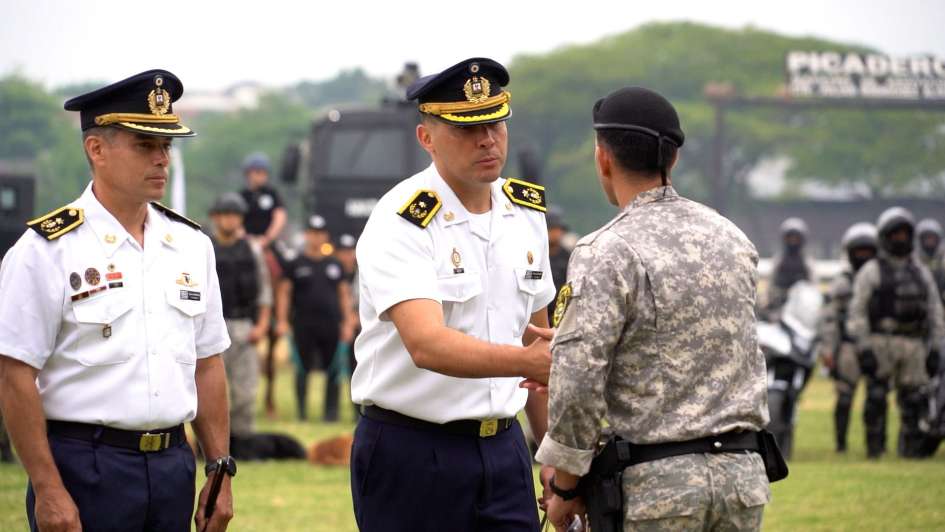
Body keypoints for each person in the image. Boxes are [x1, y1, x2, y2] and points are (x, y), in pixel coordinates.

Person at [0, 70, 234, 532]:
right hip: (85, 468)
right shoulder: (46, 250)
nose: (162, 159)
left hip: (173, 467)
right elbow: (15, 375)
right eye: (145, 145)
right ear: (97, 150)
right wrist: (48, 488)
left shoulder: (191, 245)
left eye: (166, 146)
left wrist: (219, 468)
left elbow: (208, 362)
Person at [536, 86, 770, 532]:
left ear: (602, 158)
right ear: (673, 158)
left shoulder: (605, 248)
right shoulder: (732, 237)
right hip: (743, 480)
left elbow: (580, 378)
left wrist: (565, 488)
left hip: (659, 490)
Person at [350, 57, 556, 532]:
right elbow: (426, 344)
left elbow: (540, 346)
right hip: (413, 449)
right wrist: (526, 362)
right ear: (427, 138)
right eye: (467, 129)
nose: (487, 139)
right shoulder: (401, 220)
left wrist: (552, 456)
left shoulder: (527, 213)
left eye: (495, 124)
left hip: (505, 449)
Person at [847, 207, 945, 459]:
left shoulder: (921, 272)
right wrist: (864, 346)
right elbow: (857, 311)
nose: (900, 239)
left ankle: (910, 449)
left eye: (905, 234)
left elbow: (935, 311)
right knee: (877, 395)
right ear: (884, 237)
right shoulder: (872, 271)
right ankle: (875, 448)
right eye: (895, 234)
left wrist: (936, 348)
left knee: (913, 399)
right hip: (881, 341)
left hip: (913, 344)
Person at [209, 192, 272, 453]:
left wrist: (262, 325)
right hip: (213, 327)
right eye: (225, 215)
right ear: (215, 218)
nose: (230, 220)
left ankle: (244, 445)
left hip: (244, 325)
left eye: (235, 215)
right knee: (213, 393)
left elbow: (264, 289)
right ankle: (212, 446)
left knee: (246, 392)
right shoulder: (204, 247)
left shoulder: (252, 249)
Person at [276, 215, 356, 422]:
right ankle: (302, 413)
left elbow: (344, 294)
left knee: (333, 370)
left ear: (325, 236)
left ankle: (331, 414)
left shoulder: (334, 265)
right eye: (312, 233)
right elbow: (284, 293)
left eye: (320, 233)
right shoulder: (295, 263)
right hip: (303, 324)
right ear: (306, 235)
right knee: (302, 369)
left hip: (331, 325)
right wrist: (282, 320)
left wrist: (347, 322)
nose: (316, 237)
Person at [819, 222, 877, 453]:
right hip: (848, 347)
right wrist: (828, 351)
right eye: (858, 252)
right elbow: (830, 320)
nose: (863, 257)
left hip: (874, 344)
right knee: (844, 397)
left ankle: (875, 445)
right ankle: (841, 444)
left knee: (875, 396)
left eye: (867, 251)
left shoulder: (880, 279)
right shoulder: (841, 282)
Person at [239, 152, 287, 419]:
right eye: (254, 172)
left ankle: (282, 316)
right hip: (248, 243)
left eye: (262, 172)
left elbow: (279, 217)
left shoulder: (273, 194)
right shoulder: (242, 197)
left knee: (284, 270)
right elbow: (235, 221)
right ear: (249, 174)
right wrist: (248, 238)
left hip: (268, 243)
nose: (258, 176)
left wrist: (268, 238)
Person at [766, 217, 815, 311]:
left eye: (796, 239)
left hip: (801, 309)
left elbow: (813, 287)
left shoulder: (807, 263)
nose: (793, 242)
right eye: (790, 239)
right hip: (779, 308)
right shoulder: (779, 261)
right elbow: (770, 286)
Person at [545, 205, 571, 325]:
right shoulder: (534, 258)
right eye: (551, 229)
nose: (555, 233)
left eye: (558, 229)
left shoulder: (569, 257)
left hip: (562, 318)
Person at [915, 218, 945, 303]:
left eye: (932, 238)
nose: (929, 241)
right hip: (922, 299)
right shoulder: (916, 258)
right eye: (927, 239)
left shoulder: (942, 257)